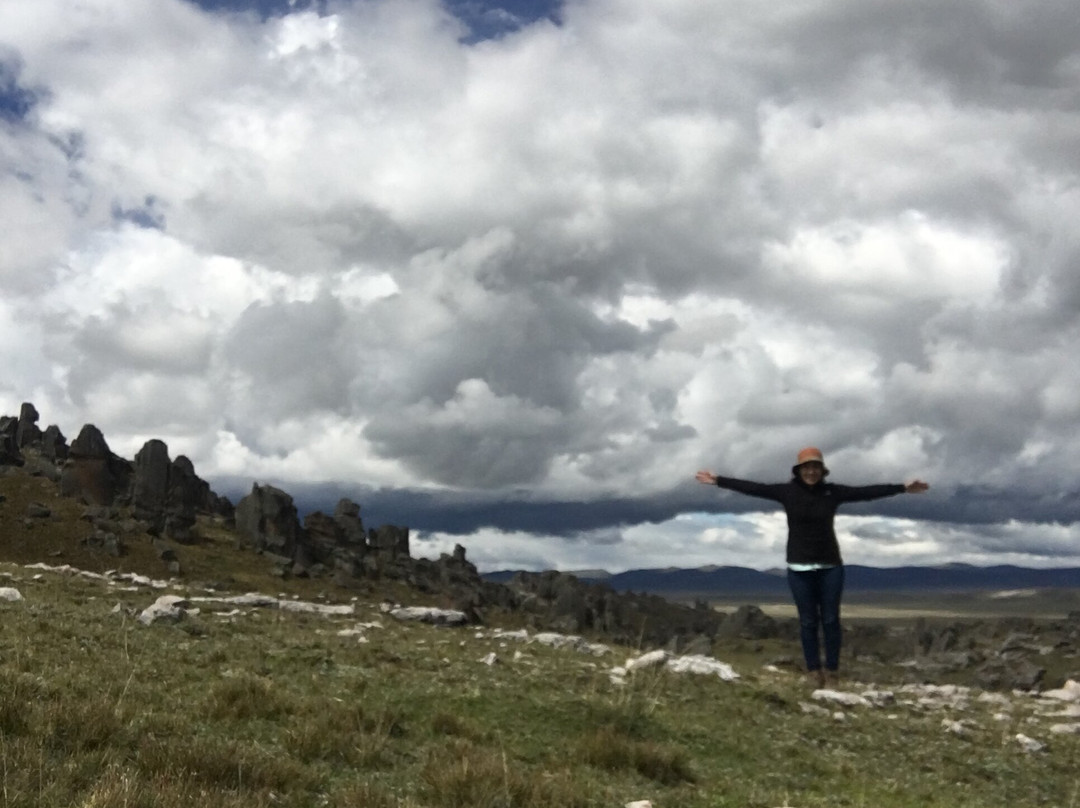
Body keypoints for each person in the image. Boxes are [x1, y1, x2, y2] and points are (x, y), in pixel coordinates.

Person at [695, 447, 929, 687]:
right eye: (807, 467)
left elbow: (865, 493)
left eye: (815, 467)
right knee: (807, 621)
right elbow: (754, 488)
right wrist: (718, 481)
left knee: (830, 620)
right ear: (799, 470)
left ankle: (832, 671)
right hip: (799, 568)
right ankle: (813, 671)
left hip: (831, 566)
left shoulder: (832, 492)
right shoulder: (786, 492)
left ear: (822, 470)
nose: (811, 472)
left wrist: (902, 488)